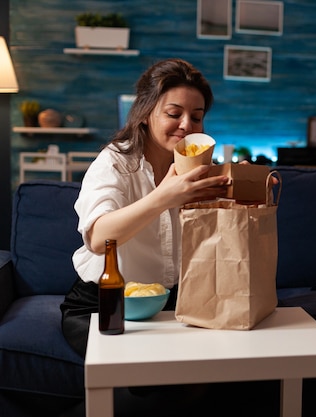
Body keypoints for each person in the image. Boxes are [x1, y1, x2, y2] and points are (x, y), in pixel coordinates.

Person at [60, 58, 231, 358]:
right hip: (104, 303)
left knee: (207, 372)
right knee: (155, 380)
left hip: (171, 302)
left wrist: (240, 192)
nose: (186, 125)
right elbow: (100, 238)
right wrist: (165, 196)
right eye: (174, 113)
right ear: (144, 114)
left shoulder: (199, 171)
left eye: (197, 116)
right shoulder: (114, 163)